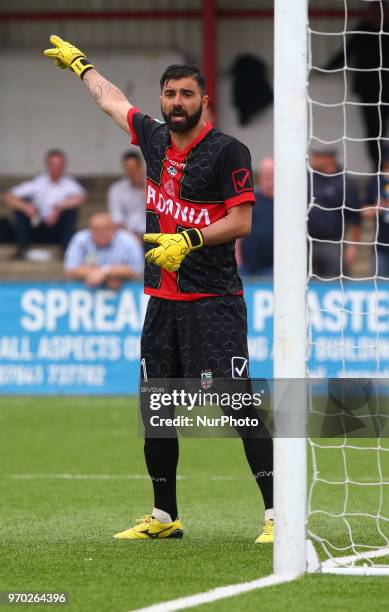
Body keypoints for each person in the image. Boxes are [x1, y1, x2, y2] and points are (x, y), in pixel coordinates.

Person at [44, 35, 274, 544]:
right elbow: (111, 99)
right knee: (156, 405)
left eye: (186, 94)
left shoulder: (227, 151)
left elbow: (241, 222)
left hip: (214, 301)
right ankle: (165, 515)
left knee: (237, 404)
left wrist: (189, 239)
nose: (176, 103)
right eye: (169, 94)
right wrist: (83, 65)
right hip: (162, 303)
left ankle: (277, 514)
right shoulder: (150, 138)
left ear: (203, 100)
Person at [325, 1, 389, 170]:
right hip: (368, 92)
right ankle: (377, 168)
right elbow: (346, 53)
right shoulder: (362, 30)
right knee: (373, 133)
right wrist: (325, 68)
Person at [4, 149, 86, 256]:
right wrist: (26, 207)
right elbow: (9, 196)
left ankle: (66, 249)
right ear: (47, 165)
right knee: (19, 210)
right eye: (53, 164)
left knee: (71, 211)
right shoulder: (38, 182)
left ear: (64, 165)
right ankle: (22, 248)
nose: (56, 167)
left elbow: (80, 198)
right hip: (37, 226)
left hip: (58, 230)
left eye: (59, 164)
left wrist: (59, 208)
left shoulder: (69, 183)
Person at [308, 147, 361, 278]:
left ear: (328, 158)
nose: (313, 159)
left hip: (333, 244)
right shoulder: (308, 178)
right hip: (307, 243)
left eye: (317, 156)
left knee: (335, 283)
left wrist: (353, 246)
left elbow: (355, 217)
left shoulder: (344, 181)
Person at [64, 213, 143, 289]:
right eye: (96, 229)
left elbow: (136, 269)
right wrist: (104, 276)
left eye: (106, 229)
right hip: (88, 289)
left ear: (114, 229)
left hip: (125, 291)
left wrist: (105, 272)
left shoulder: (128, 240)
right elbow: (71, 268)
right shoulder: (80, 239)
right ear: (89, 230)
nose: (101, 233)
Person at [240, 157, 274, 276]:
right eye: (266, 175)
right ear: (259, 177)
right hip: (248, 269)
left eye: (272, 174)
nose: (269, 178)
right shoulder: (249, 200)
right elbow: (237, 235)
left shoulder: (287, 204)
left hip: (278, 268)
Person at [107, 150, 146, 238]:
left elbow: (157, 211)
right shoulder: (117, 189)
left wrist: (141, 188)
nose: (132, 173)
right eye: (129, 169)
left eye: (134, 169)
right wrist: (130, 237)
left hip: (151, 232)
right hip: (127, 233)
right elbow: (116, 216)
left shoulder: (153, 187)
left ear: (141, 167)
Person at [363, 148, 389, 277]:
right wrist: (379, 208)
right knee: (379, 287)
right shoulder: (376, 181)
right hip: (381, 246)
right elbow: (363, 212)